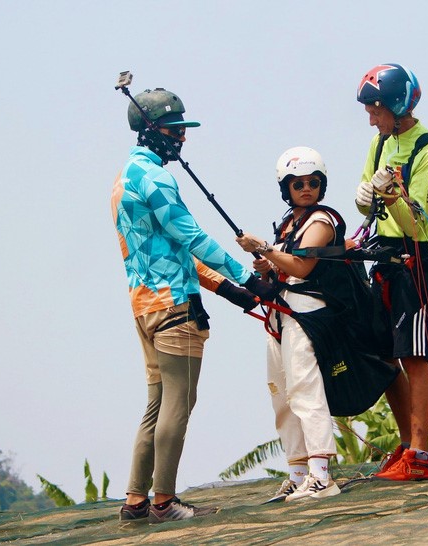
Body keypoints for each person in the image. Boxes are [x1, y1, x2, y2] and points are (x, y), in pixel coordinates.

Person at [112, 87, 276, 523]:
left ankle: (135, 501)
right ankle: (164, 502)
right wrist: (249, 278)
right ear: (150, 131)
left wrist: (228, 290)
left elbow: (170, 250)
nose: (181, 138)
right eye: (173, 129)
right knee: (179, 404)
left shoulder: (124, 178)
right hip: (175, 309)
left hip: (145, 308)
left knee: (156, 404)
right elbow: (194, 240)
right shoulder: (157, 179)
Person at [354, 63, 428, 481]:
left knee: (414, 356)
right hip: (385, 259)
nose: (371, 119)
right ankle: (408, 443)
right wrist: (365, 198)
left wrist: (390, 194)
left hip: (417, 262)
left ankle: (422, 455)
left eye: (375, 111)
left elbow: (418, 224)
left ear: (395, 106)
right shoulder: (379, 145)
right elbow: (367, 205)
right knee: (384, 353)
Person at [236, 147, 341, 502]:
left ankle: (321, 475)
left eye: (313, 182)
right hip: (278, 315)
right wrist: (268, 264)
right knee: (281, 395)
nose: (306, 188)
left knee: (305, 390)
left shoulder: (322, 221)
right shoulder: (287, 224)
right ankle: (297, 474)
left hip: (306, 314)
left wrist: (265, 248)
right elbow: (284, 267)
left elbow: (302, 267)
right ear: (287, 188)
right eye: (298, 184)